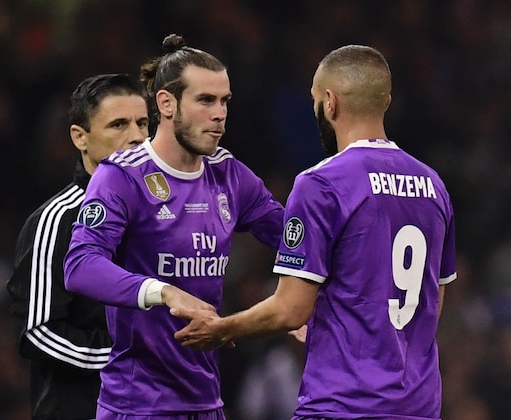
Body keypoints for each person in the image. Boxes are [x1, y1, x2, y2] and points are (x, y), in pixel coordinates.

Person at [172, 44, 458, 419]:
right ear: (385, 102)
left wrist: (222, 329)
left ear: (329, 102)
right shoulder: (432, 185)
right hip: (418, 407)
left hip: (344, 403)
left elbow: (290, 310)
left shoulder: (323, 183)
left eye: (314, 100)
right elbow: (431, 304)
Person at [63, 34, 284, 419]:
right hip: (138, 405)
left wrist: (303, 302)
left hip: (208, 402)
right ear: (166, 103)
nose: (219, 114)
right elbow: (80, 267)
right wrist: (163, 291)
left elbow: (293, 239)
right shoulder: (122, 177)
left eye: (224, 101)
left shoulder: (228, 174)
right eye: (205, 100)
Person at [6, 73, 150, 419]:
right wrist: (127, 355)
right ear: (80, 138)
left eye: (143, 123)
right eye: (118, 124)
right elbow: (39, 333)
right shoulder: (57, 220)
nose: (136, 137)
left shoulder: (163, 216)